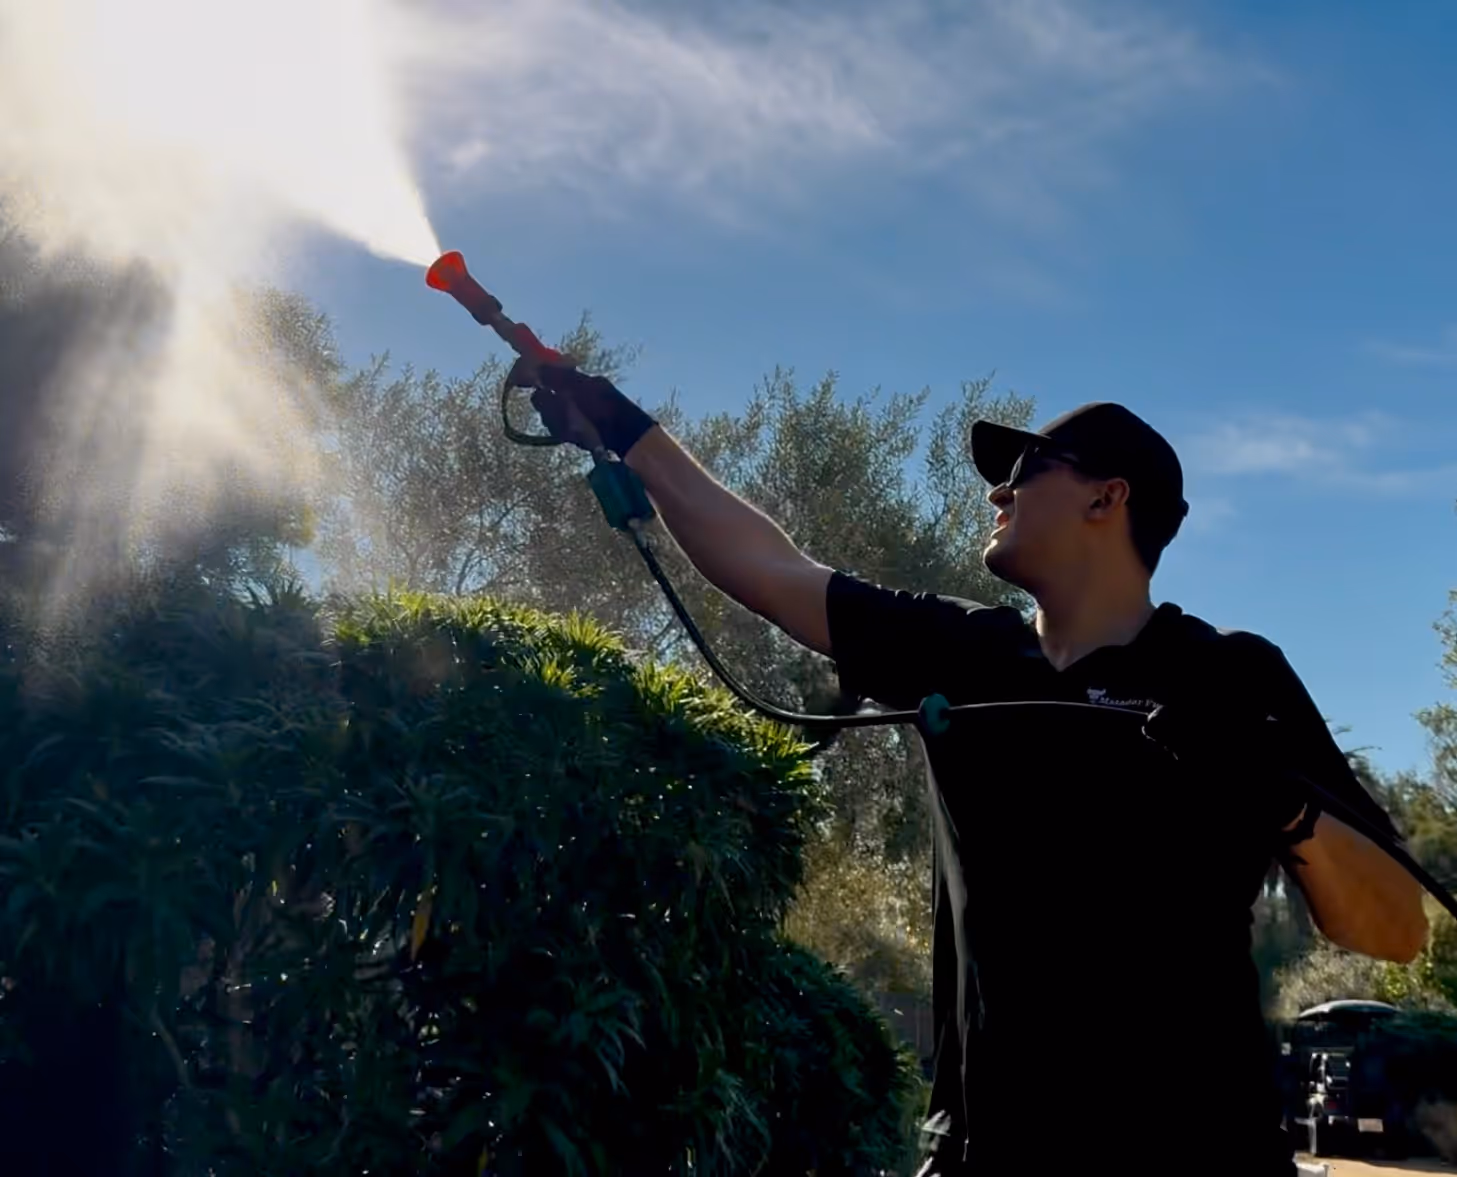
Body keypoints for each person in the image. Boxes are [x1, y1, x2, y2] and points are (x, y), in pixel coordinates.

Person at [526, 364, 1429, 1175]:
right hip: (982, 1155)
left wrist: (1280, 805)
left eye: (1026, 468)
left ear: (1106, 498)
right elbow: (770, 566)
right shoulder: (960, 652)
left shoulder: (1231, 674)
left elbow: (1393, 928)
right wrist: (623, 429)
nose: (997, 490)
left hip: (1199, 1150)